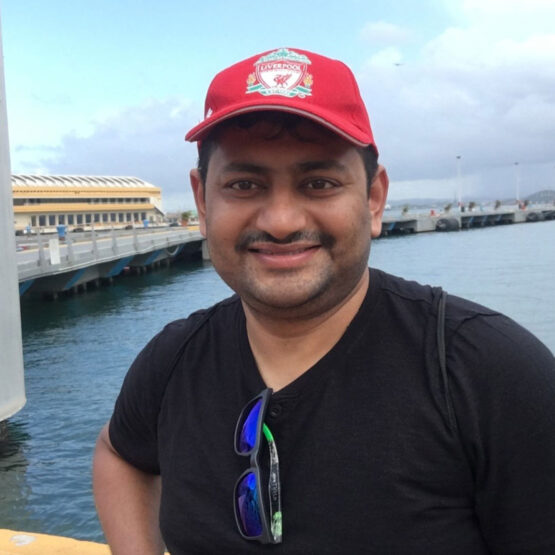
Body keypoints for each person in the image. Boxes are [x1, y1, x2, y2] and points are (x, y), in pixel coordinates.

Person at [93, 47, 555, 554]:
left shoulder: (489, 373)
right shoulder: (175, 360)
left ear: (374, 199)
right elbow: (120, 454)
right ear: (203, 202)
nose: (282, 220)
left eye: (319, 183)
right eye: (244, 184)